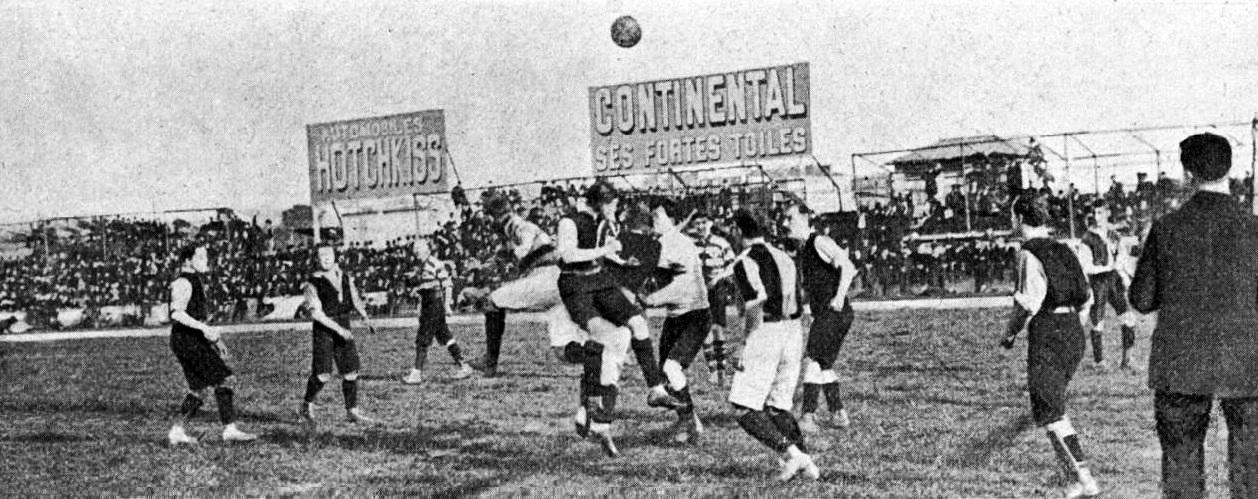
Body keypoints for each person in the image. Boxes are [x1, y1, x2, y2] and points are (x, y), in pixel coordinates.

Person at [1129, 133, 1258, 498]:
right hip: (1247, 363)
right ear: (1230, 170)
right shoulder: (1255, 228)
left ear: (1187, 173)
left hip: (1181, 364)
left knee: (1181, 471)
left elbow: (1141, 300)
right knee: (1252, 473)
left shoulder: (1166, 228)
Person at [1000, 195, 1099, 498]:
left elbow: (1026, 304)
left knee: (1051, 411)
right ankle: (1072, 478)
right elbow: (1087, 298)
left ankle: (1085, 479)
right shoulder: (1066, 248)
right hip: (1073, 332)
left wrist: (1009, 334)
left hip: (1048, 332)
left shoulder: (1027, 253)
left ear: (1018, 219)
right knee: (1052, 409)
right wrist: (1072, 330)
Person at [723, 210, 820, 482]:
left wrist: (745, 343)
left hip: (766, 331)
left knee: (743, 407)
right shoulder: (784, 256)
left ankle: (793, 455)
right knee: (778, 406)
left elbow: (756, 301)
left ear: (737, 230)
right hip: (793, 330)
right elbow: (798, 295)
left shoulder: (744, 261)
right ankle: (808, 465)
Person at [556, 181, 641, 457]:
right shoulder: (569, 222)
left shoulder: (601, 222)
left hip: (593, 285)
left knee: (621, 337)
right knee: (604, 341)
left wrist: (619, 259)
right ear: (601, 201)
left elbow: (600, 256)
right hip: (573, 288)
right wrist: (604, 251)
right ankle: (594, 411)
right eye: (612, 203)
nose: (616, 209)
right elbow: (568, 256)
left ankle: (595, 414)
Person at [470, 193, 586, 378]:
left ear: (497, 214)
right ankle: (603, 355)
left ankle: (490, 362)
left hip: (546, 278)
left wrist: (508, 253)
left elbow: (523, 248)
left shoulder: (518, 225)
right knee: (562, 350)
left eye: (490, 216)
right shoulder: (513, 229)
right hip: (558, 283)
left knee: (491, 302)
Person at [166, 244, 257, 445]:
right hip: (187, 340)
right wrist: (206, 331)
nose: (205, 260)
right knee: (225, 379)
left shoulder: (194, 279)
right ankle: (229, 430)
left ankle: (177, 431)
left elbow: (196, 318)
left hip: (188, 340)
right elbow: (176, 313)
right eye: (200, 256)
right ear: (188, 260)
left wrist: (216, 340)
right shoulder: (183, 282)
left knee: (199, 389)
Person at [638, 199, 710, 444]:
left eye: (658, 216)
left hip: (694, 315)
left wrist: (652, 299)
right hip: (675, 316)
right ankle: (687, 421)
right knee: (664, 377)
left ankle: (690, 421)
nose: (652, 221)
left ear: (672, 219)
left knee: (671, 368)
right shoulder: (663, 242)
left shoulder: (677, 243)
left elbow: (683, 285)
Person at [298, 244, 376, 427]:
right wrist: (339, 330)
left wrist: (366, 317)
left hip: (344, 323)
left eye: (328, 254)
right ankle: (306, 404)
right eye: (321, 255)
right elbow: (317, 314)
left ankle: (352, 411)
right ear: (316, 259)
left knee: (351, 371)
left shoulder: (345, 277)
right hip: (324, 328)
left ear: (335, 256)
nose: (325, 258)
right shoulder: (312, 282)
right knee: (323, 374)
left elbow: (355, 298)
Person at [797, 214, 859, 433]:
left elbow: (849, 267)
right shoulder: (804, 250)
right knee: (823, 364)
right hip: (831, 314)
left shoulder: (819, 242)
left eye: (789, 218)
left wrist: (839, 297)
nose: (784, 224)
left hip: (833, 312)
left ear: (805, 219)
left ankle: (808, 415)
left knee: (812, 359)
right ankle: (838, 413)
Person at [402, 238, 474, 384]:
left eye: (419, 252)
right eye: (415, 252)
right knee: (445, 336)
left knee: (422, 339)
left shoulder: (436, 264)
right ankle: (464, 365)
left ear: (427, 251)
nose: (417, 255)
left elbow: (447, 285)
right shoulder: (420, 266)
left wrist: (447, 305)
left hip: (434, 305)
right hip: (428, 304)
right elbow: (425, 284)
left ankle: (416, 373)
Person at [1077, 208, 1137, 370]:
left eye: (1100, 213)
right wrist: (1106, 267)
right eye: (1094, 214)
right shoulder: (1087, 239)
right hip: (1098, 281)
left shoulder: (1114, 235)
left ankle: (1127, 360)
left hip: (1114, 280)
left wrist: (1125, 275)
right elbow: (1085, 266)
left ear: (1107, 214)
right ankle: (1099, 362)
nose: (1097, 217)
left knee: (1128, 318)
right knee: (1097, 322)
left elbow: (1123, 257)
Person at [689, 211, 735, 384]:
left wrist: (718, 277)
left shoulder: (720, 243)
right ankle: (713, 370)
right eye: (697, 224)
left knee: (717, 327)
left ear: (709, 223)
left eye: (703, 223)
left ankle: (722, 369)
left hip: (716, 288)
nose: (700, 227)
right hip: (699, 290)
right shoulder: (691, 245)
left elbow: (732, 265)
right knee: (704, 328)